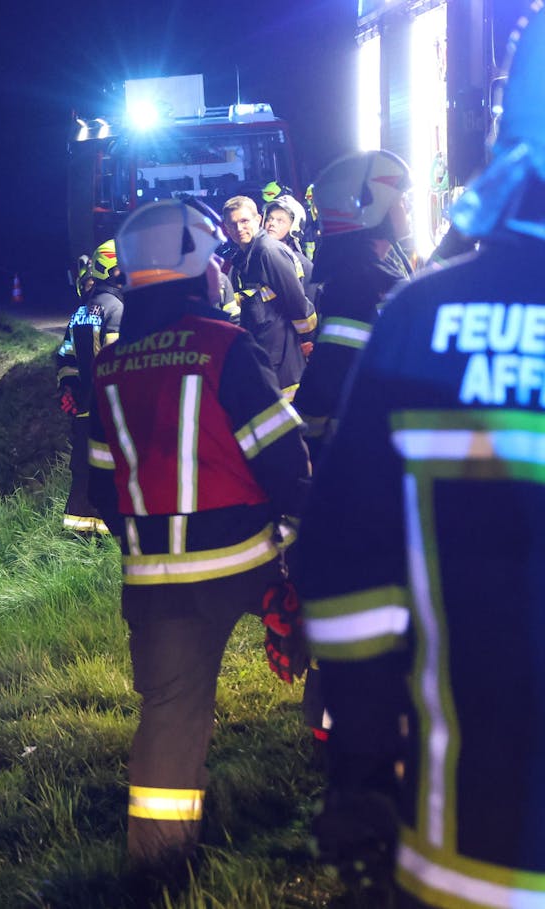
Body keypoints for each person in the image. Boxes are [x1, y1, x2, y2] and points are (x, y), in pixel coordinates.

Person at [297, 12, 545, 906]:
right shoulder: (379, 282)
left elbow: (341, 559)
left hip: (466, 846)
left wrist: (363, 747)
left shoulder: (422, 317)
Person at [87, 198, 310, 879]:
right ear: (194, 269)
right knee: (344, 623)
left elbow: (100, 487)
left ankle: (158, 867)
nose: (221, 268)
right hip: (245, 558)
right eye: (213, 258)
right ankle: (353, 778)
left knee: (172, 715)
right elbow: (282, 459)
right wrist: (307, 544)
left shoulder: (110, 368)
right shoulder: (225, 346)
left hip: (155, 577)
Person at [290, 150, 414, 460]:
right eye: (400, 201)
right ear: (371, 208)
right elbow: (327, 375)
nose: (407, 208)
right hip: (370, 453)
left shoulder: (374, 271)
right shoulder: (358, 284)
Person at [55, 239, 124, 533]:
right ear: (115, 270)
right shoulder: (118, 309)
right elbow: (119, 364)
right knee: (112, 469)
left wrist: (69, 388)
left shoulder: (83, 310)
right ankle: (108, 530)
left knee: (83, 469)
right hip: (109, 408)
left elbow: (65, 356)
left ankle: (79, 531)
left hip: (84, 404)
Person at [221, 195, 311, 398]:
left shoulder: (267, 252)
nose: (239, 228)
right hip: (266, 360)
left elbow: (298, 305)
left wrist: (307, 340)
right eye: (232, 224)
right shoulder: (244, 259)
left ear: (258, 219)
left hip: (285, 366)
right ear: (226, 228)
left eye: (244, 221)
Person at [264, 194, 319, 353]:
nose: (272, 224)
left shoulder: (303, 265)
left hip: (293, 350)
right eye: (270, 219)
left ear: (294, 227)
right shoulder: (255, 259)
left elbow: (308, 312)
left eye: (280, 220)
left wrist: (307, 342)